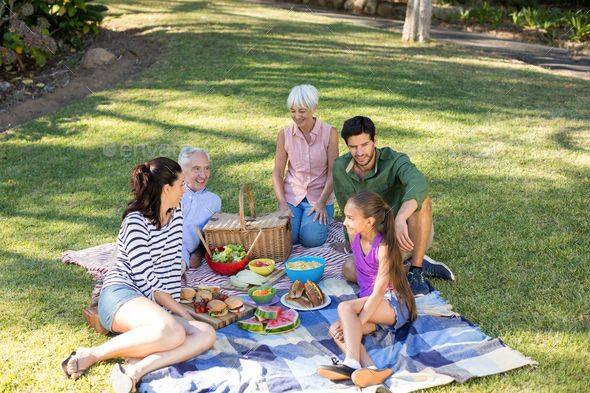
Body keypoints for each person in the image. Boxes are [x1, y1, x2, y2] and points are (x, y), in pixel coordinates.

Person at [61, 157, 216, 393]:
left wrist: (175, 309)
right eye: (181, 185)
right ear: (167, 189)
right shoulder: (135, 221)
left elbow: (172, 264)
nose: (185, 190)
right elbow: (149, 282)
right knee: (174, 332)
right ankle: (92, 354)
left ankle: (135, 370)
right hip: (122, 293)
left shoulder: (177, 210)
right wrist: (182, 312)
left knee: (206, 333)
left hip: (153, 302)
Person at [332, 116, 454, 295]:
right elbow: (349, 216)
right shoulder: (340, 168)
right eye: (353, 146)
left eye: (364, 144)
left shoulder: (394, 160)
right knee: (349, 270)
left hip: (405, 236)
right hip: (372, 240)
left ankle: (417, 268)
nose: (359, 152)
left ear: (375, 141)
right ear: (347, 146)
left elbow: (418, 184)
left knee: (423, 200)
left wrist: (400, 218)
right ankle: (410, 270)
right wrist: (361, 251)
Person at [318, 191, 416, 388]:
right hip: (373, 307)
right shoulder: (356, 240)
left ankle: (350, 363)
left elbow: (380, 291)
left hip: (393, 303)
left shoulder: (384, 247)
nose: (345, 223)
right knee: (336, 331)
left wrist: (358, 319)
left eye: (350, 218)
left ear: (370, 221)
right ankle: (372, 370)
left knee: (345, 308)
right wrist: (352, 326)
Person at [272, 84, 339, 247]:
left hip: (319, 198)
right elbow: (277, 172)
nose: (296, 116)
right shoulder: (284, 134)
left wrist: (322, 202)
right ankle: (301, 221)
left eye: (302, 111)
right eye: (292, 110)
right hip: (291, 197)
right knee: (288, 239)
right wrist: (282, 203)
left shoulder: (330, 133)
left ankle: (319, 221)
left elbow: (333, 172)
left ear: (314, 108)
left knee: (311, 239)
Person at [178, 147, 221, 270]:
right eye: (196, 169)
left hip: (181, 256)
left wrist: (199, 253)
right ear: (182, 172)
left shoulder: (214, 201)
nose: (203, 175)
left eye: (206, 168)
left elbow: (210, 236)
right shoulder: (172, 193)